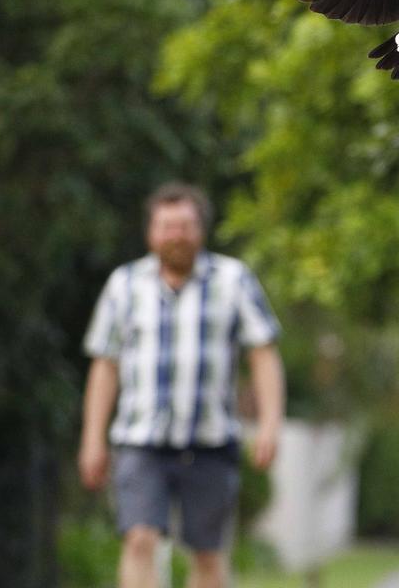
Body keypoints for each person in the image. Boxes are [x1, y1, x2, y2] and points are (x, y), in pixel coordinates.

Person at [77, 182, 285, 588]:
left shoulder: (233, 279)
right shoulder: (124, 284)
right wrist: (92, 439)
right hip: (140, 441)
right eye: (167, 226)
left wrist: (270, 425)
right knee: (139, 540)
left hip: (210, 442)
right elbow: (105, 365)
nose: (177, 235)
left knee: (208, 553)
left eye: (185, 226)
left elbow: (263, 354)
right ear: (150, 232)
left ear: (201, 230)